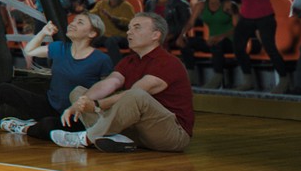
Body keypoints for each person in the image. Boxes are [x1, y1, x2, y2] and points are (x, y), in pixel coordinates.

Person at [51, 12, 194, 152]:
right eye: (129, 28)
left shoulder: (168, 62)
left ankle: (86, 138)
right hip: (138, 131)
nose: (129, 32)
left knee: (136, 95)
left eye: (136, 27)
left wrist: (96, 105)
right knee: (79, 92)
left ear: (155, 35)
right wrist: (81, 102)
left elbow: (134, 95)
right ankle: (114, 137)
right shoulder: (129, 60)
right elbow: (110, 82)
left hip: (172, 134)